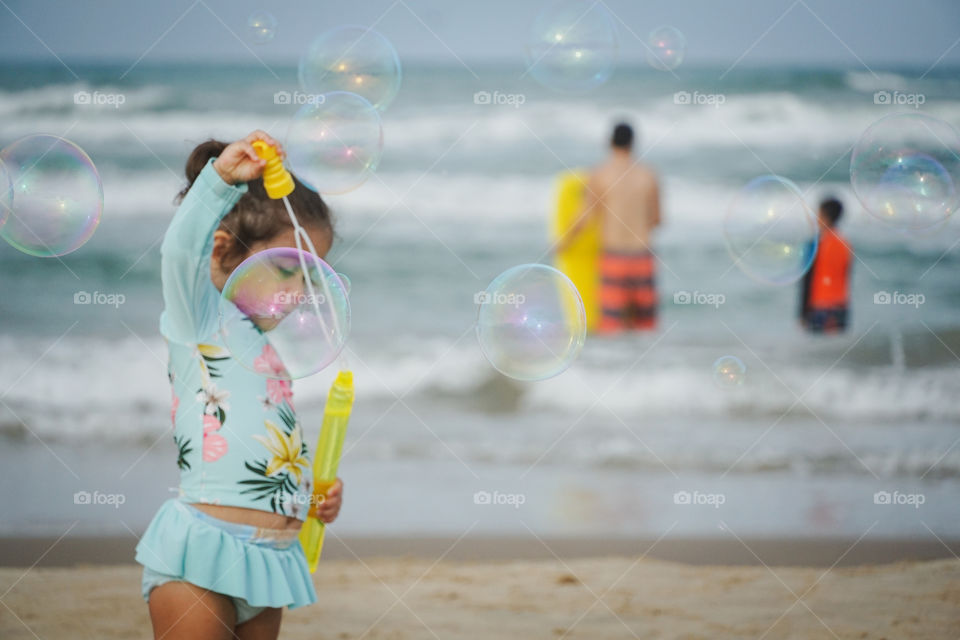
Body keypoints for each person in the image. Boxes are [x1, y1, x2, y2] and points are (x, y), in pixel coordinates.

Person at [136, 130, 344, 639]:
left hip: (270, 560)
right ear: (223, 251)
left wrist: (312, 497)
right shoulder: (200, 320)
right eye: (285, 269)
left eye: (311, 278)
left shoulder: (267, 352)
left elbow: (265, 444)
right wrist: (221, 181)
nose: (299, 292)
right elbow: (180, 252)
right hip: (203, 548)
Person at [557, 122, 662, 332]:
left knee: (612, 327)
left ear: (610, 142)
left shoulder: (600, 175)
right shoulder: (648, 175)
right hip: (642, 256)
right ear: (633, 143)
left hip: (614, 258)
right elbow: (657, 220)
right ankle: (649, 364)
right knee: (645, 327)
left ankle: (613, 365)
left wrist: (562, 243)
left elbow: (584, 218)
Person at [800, 197, 852, 334]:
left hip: (819, 307)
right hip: (841, 305)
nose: (817, 218)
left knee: (817, 353)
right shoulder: (845, 243)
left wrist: (802, 313)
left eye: (819, 214)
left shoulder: (816, 243)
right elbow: (847, 276)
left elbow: (807, 279)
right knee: (836, 351)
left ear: (825, 217)